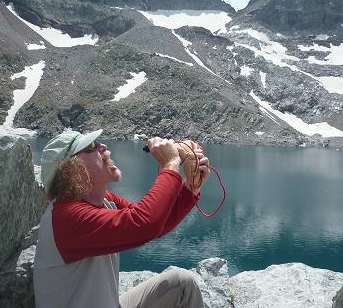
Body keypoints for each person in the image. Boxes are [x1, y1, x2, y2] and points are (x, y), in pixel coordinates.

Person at [33, 128, 211, 308]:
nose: (103, 147)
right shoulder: (66, 217)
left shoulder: (103, 200)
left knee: (182, 284)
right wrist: (171, 163)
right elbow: (145, 224)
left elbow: (158, 223)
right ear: (72, 168)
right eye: (91, 146)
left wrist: (190, 188)